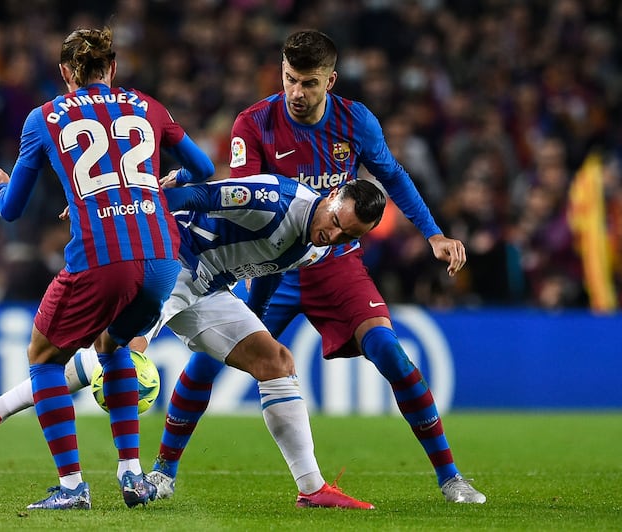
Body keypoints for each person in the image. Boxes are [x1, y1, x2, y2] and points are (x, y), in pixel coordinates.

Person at [146, 29, 486, 505]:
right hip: (270, 267)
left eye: (309, 83)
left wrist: (432, 233)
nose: (297, 94)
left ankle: (451, 477)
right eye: (289, 80)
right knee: (209, 359)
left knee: (390, 352)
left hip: (335, 263)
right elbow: (244, 203)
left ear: (331, 79)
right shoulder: (255, 124)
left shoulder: (356, 123)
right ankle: (163, 472)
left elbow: (392, 176)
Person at [0, 173, 387, 510]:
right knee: (120, 355)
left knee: (276, 361)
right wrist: (106, 218)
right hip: (172, 263)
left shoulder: (323, 246)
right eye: (335, 221)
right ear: (331, 195)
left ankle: (312, 488)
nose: (333, 235)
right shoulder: (275, 197)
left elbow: (270, 267)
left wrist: (256, 318)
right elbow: (196, 196)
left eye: (347, 235)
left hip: (211, 289)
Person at [0, 27, 214, 510]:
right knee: (112, 344)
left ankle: (73, 486)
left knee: (43, 357)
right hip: (162, 254)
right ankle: (132, 475)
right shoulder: (148, 105)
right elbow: (203, 166)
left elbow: (13, 210)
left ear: (64, 73)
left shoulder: (43, 119)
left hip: (103, 255)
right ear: (114, 68)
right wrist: (162, 181)